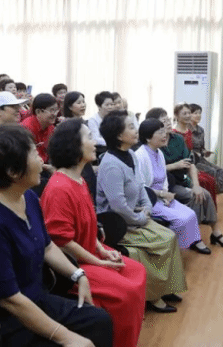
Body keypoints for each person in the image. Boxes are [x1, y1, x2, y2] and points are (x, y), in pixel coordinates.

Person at [0, 125, 113, 347]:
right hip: (2, 320)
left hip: (34, 298)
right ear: (13, 171)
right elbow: (9, 299)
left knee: (98, 321)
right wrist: (66, 336)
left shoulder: (28, 198)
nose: (42, 160)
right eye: (34, 154)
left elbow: (48, 246)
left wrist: (78, 274)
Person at [41, 118, 147, 347]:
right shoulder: (59, 187)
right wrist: (98, 262)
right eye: (89, 137)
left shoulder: (79, 179)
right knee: (126, 292)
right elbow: (62, 241)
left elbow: (89, 223)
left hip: (89, 250)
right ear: (74, 146)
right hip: (72, 263)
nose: (95, 143)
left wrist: (102, 250)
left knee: (137, 271)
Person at [96, 111, 187, 313]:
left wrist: (147, 208)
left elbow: (141, 186)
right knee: (161, 242)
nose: (136, 130)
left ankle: (166, 288)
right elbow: (118, 206)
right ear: (119, 135)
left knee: (170, 236)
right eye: (130, 127)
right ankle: (153, 297)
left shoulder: (130, 155)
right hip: (117, 223)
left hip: (135, 215)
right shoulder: (110, 165)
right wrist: (140, 218)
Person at [145, 107, 223, 249]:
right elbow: (152, 172)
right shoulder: (152, 145)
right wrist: (174, 165)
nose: (168, 123)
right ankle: (194, 238)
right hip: (167, 185)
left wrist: (196, 185)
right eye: (163, 121)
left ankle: (215, 232)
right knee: (196, 197)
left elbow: (190, 164)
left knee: (203, 192)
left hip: (181, 179)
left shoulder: (177, 139)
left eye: (168, 120)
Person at [134, 118, 211, 254]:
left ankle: (186, 245)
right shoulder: (140, 156)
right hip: (149, 199)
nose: (164, 135)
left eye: (163, 131)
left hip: (163, 196)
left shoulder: (159, 153)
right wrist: (162, 194)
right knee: (181, 220)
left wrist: (165, 194)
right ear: (148, 138)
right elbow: (141, 187)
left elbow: (163, 178)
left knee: (191, 214)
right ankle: (171, 251)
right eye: (159, 132)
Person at [171, 103, 220, 205]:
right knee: (204, 181)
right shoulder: (174, 133)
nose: (188, 116)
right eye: (184, 113)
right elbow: (176, 157)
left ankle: (206, 210)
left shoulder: (188, 131)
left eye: (189, 113)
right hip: (180, 169)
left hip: (191, 164)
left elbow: (191, 152)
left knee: (210, 179)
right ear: (176, 115)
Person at [188, 103, 223, 192]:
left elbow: (202, 147)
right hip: (193, 161)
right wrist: (196, 153)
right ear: (189, 115)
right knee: (212, 172)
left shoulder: (201, 130)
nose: (198, 115)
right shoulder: (186, 129)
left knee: (222, 172)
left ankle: (217, 193)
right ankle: (210, 194)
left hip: (201, 159)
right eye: (195, 113)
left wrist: (205, 152)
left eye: (200, 113)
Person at [20, 93, 58, 172]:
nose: (55, 114)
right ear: (38, 112)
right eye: (51, 110)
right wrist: (48, 168)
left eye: (56, 110)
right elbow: (26, 158)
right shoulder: (26, 128)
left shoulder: (51, 127)